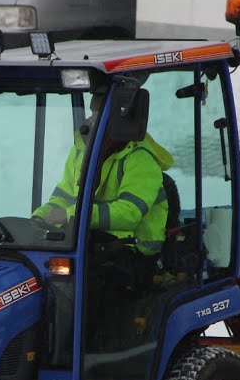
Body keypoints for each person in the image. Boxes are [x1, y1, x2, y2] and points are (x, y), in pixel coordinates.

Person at [32, 88, 175, 353]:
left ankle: (78, 354)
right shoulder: (82, 151)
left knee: (87, 288)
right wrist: (38, 219)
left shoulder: (140, 159)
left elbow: (129, 213)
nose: (92, 118)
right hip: (92, 243)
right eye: (94, 110)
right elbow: (63, 197)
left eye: (101, 112)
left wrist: (72, 215)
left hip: (133, 251)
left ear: (122, 119)